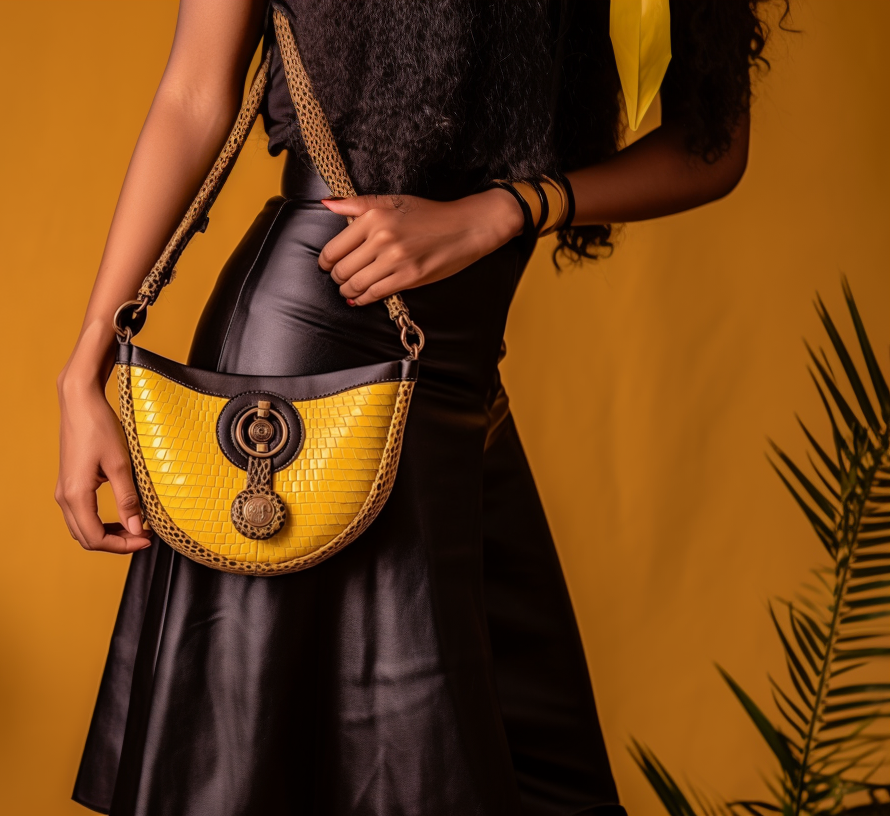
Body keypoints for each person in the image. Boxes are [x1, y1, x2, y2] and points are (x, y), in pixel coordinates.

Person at [55, 2, 780, 814]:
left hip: (462, 385)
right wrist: (86, 368)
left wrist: (510, 208)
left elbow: (712, 145)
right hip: (311, 371)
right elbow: (193, 94)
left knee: (546, 782)